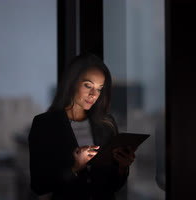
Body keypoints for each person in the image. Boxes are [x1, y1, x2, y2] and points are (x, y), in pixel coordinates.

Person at [28, 53, 135, 200]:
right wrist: (75, 168)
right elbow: (39, 185)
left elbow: (113, 186)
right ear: (72, 82)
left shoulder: (107, 124)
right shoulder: (45, 125)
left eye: (99, 89)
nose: (93, 94)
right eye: (88, 86)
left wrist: (123, 166)